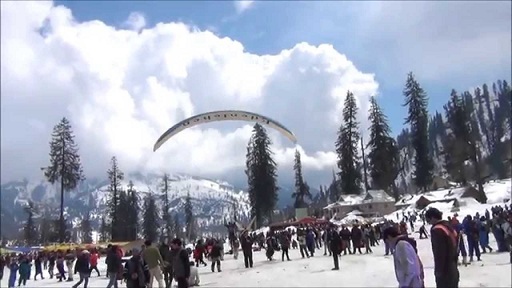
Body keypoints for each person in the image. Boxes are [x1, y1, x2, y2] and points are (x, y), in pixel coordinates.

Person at [425, 207, 460, 288]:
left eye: (428, 219)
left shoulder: (437, 230)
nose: (428, 222)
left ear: (432, 217)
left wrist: (438, 272)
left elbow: (440, 253)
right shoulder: (449, 227)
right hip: (453, 267)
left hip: (445, 271)